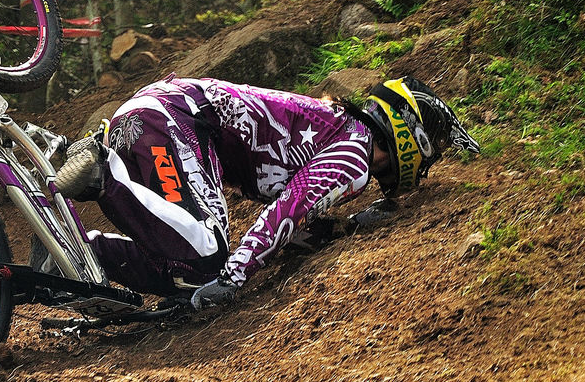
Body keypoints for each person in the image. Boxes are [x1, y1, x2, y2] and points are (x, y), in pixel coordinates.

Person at [49, 74, 480, 310]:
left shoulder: (340, 131)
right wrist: (235, 278)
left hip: (160, 114)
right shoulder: (355, 153)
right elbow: (289, 208)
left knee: (192, 274)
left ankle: (79, 250)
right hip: (178, 121)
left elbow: (296, 214)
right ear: (411, 134)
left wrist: (342, 229)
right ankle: (102, 176)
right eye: (433, 149)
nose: (430, 162)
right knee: (214, 258)